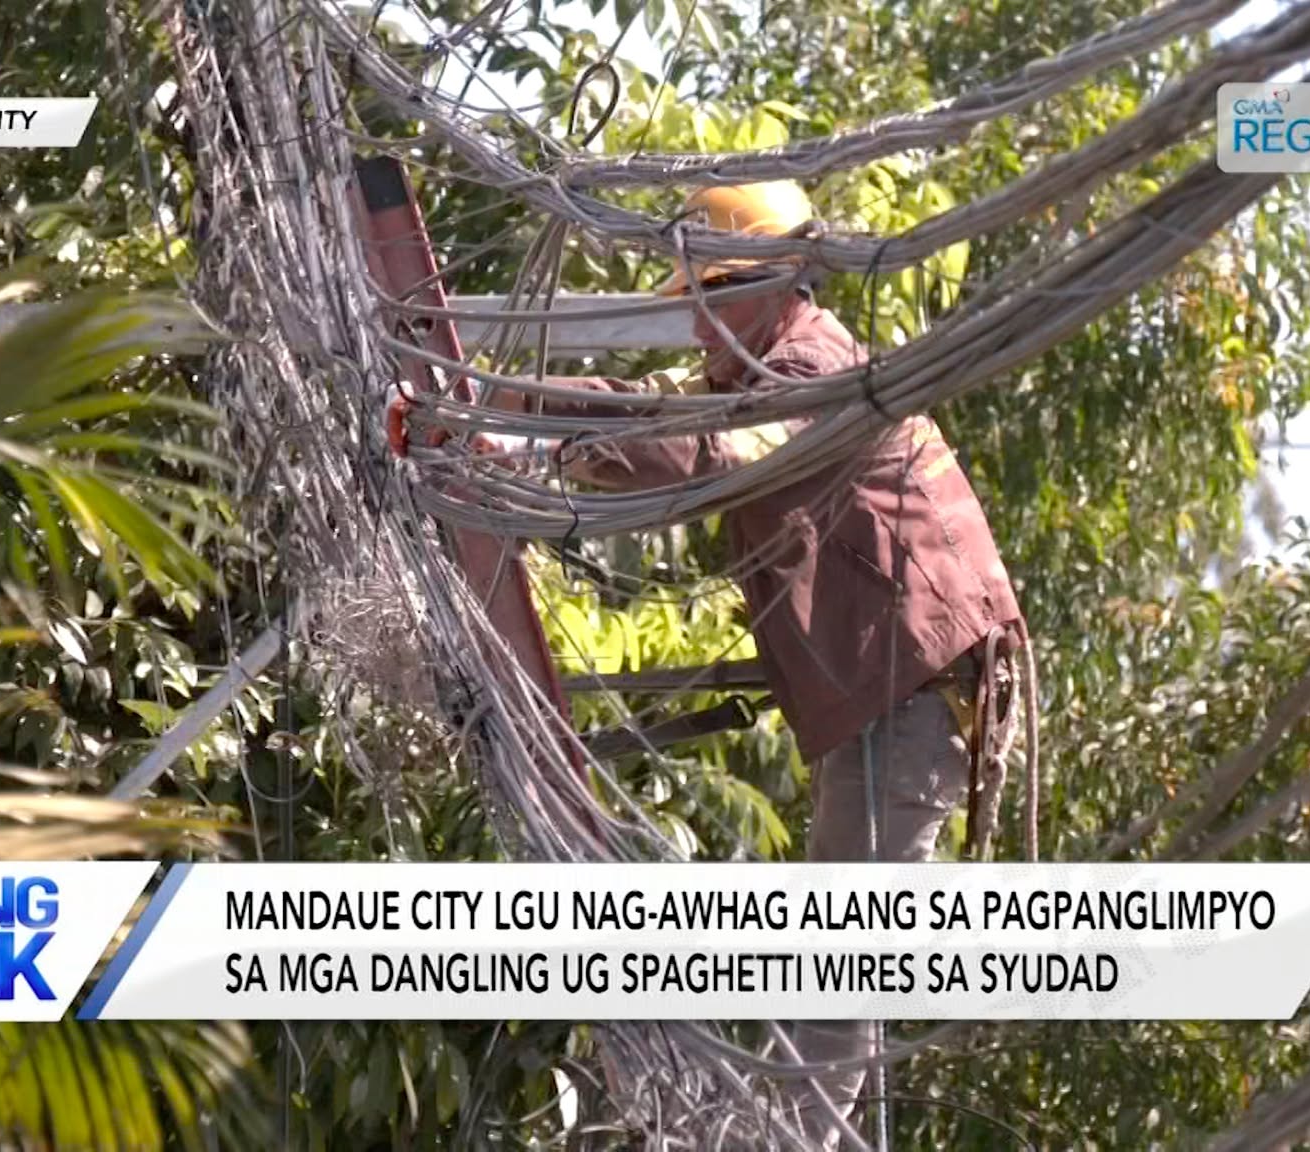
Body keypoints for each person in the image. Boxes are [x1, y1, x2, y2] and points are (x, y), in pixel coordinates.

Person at [392, 180, 1025, 1146]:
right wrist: (524, 414)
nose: (693, 318)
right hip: (890, 697)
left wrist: (528, 435)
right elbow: (665, 427)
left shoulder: (812, 373)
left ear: (773, 282)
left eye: (709, 293)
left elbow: (708, 457)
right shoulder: (765, 374)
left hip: (916, 693)